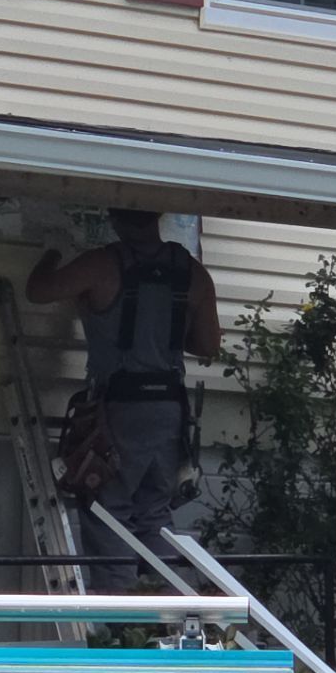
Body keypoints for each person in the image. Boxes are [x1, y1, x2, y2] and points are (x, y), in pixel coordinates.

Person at [25, 208, 221, 592]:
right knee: (154, 515)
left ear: (115, 217)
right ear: (158, 217)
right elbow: (209, 344)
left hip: (118, 409)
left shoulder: (102, 263)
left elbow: (39, 290)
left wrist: (53, 251)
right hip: (169, 408)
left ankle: (122, 624)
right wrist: (164, 326)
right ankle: (168, 616)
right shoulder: (191, 271)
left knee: (108, 511)